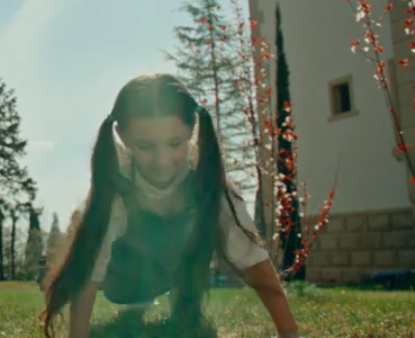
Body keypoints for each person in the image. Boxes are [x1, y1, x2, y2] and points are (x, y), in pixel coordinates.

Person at [39, 73, 300, 338]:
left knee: (197, 227)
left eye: (174, 143)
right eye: (145, 146)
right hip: (122, 279)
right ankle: (139, 304)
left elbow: (255, 261)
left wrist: (289, 332)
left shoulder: (208, 182)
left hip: (176, 267)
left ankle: (186, 310)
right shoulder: (115, 185)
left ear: (191, 130)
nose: (162, 160)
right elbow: (88, 272)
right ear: (122, 136)